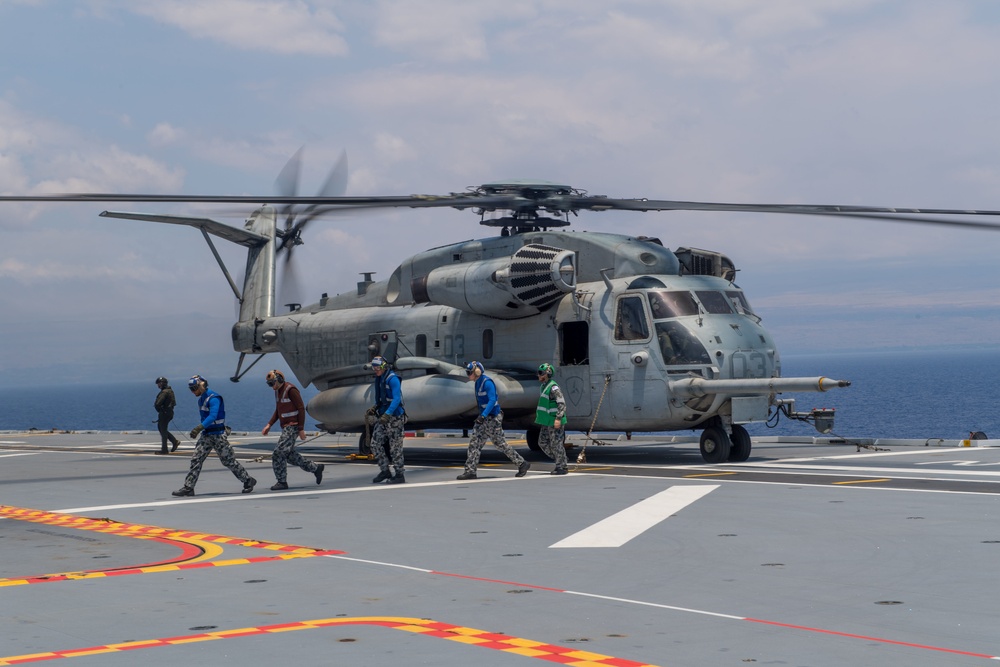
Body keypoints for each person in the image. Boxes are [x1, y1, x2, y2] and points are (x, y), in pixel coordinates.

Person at [172, 375, 256, 497]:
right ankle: (188, 487)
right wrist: (201, 429)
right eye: (191, 389)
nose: (193, 391)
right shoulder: (201, 400)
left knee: (228, 461)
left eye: (194, 388)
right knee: (196, 459)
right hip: (206, 435)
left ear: (202, 385)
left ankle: (248, 480)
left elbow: (213, 416)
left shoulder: (214, 398)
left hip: (218, 435)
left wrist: (198, 428)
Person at [456, 361, 530, 480]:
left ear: (477, 372)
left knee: (500, 444)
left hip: (492, 418)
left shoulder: (487, 382)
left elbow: (492, 400)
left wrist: (483, 415)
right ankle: (470, 471)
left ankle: (522, 463)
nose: (468, 375)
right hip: (484, 418)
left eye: (469, 372)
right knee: (474, 443)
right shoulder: (477, 383)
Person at [262, 370, 323, 490]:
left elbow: (301, 409)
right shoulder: (278, 391)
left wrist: (301, 429)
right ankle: (315, 468)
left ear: (279, 380)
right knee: (289, 455)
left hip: (293, 426)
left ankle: (282, 482)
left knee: (278, 453)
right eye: (269, 384)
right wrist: (269, 424)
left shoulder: (291, 390)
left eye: (272, 383)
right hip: (286, 427)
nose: (271, 386)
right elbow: (278, 410)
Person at [368, 357, 405, 484]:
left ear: (384, 367)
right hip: (383, 416)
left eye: (377, 368)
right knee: (375, 444)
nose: (375, 370)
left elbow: (397, 399)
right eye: (374, 368)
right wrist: (375, 407)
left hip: (394, 418)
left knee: (395, 448)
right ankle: (385, 470)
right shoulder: (379, 379)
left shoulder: (392, 379)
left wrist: (388, 413)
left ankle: (399, 474)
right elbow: (381, 398)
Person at [535, 362, 568, 475]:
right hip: (547, 421)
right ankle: (562, 460)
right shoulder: (543, 386)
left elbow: (562, 404)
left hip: (555, 421)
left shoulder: (553, 387)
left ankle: (561, 467)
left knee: (556, 443)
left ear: (547, 374)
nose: (539, 375)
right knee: (542, 442)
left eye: (541, 373)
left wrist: (558, 418)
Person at [154, 377, 181, 454]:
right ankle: (174, 441)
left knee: (163, 431)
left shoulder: (164, 392)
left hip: (165, 413)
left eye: (159, 383)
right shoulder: (170, 391)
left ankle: (164, 450)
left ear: (162, 383)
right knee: (161, 428)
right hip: (169, 412)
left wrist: (159, 410)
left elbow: (158, 403)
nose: (158, 385)